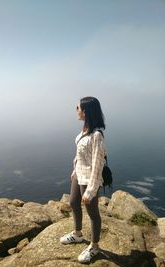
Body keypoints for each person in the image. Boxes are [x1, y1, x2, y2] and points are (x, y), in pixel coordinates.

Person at [60, 96, 107, 263]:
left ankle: (94, 247)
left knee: (93, 213)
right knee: (73, 202)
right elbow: (80, 154)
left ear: (86, 111)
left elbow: (97, 164)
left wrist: (91, 190)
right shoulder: (84, 130)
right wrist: (74, 170)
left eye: (78, 108)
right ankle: (78, 234)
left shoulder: (97, 136)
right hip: (78, 174)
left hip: (89, 178)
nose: (76, 110)